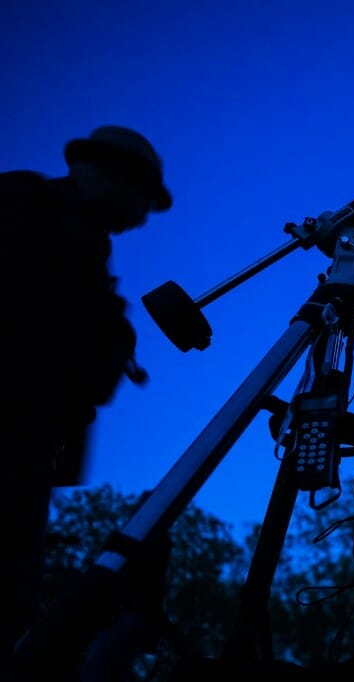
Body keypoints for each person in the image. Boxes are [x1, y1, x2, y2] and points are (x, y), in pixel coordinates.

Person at [0, 125, 172, 676]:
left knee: (12, 601)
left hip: (28, 450)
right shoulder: (24, 206)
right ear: (103, 172)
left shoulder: (84, 251)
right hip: (11, 440)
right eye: (142, 199)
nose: (144, 217)